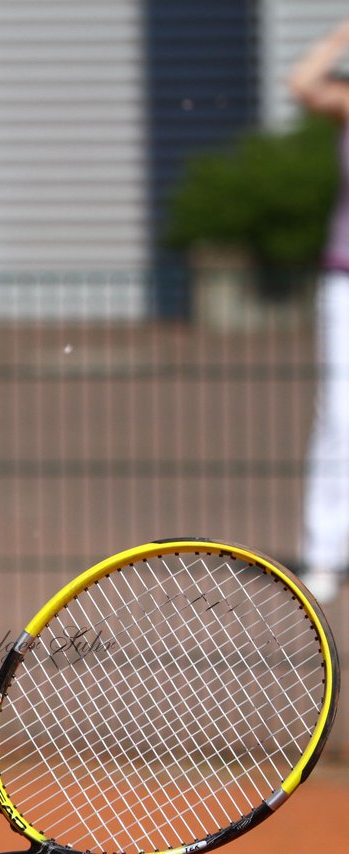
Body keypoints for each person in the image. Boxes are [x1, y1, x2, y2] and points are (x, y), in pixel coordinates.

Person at [290, 18, 349, 604]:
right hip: (345, 283)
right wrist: (340, 36)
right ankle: (323, 554)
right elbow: (303, 85)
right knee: (339, 415)